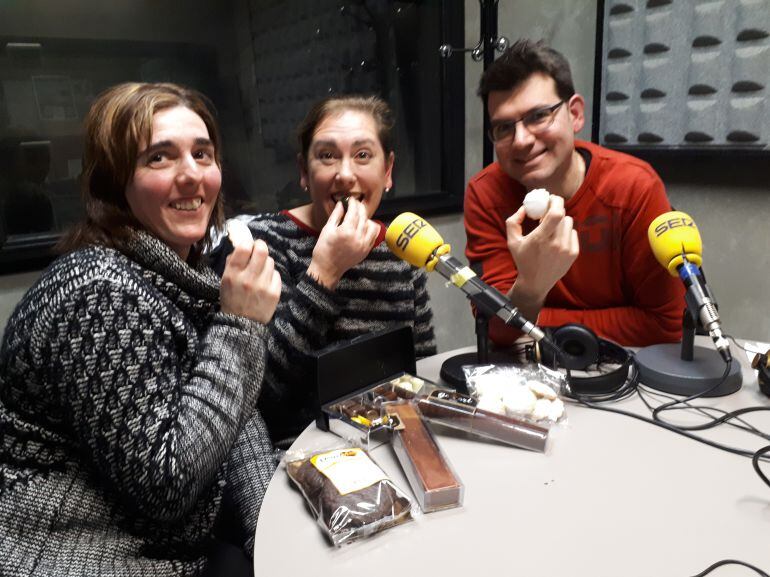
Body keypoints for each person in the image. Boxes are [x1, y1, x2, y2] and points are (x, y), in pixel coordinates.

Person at [0, 82, 282, 577]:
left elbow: (234, 421)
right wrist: (239, 324)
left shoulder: (188, 271)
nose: (192, 175)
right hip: (79, 551)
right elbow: (167, 485)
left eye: (203, 153)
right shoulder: (97, 292)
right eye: (159, 158)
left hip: (172, 539)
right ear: (116, 183)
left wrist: (272, 530)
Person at [211, 95, 436, 447]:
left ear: (387, 171)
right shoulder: (264, 244)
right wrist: (325, 272)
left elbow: (420, 368)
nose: (345, 175)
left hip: (394, 440)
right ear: (304, 171)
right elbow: (265, 394)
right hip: (298, 454)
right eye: (327, 155)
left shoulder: (401, 247)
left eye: (363, 155)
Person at [464, 39, 685, 347]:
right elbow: (493, 329)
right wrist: (530, 288)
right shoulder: (485, 194)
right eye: (503, 128)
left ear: (576, 114)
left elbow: (664, 325)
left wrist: (535, 318)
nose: (521, 140)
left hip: (630, 370)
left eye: (538, 115)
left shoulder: (633, 188)